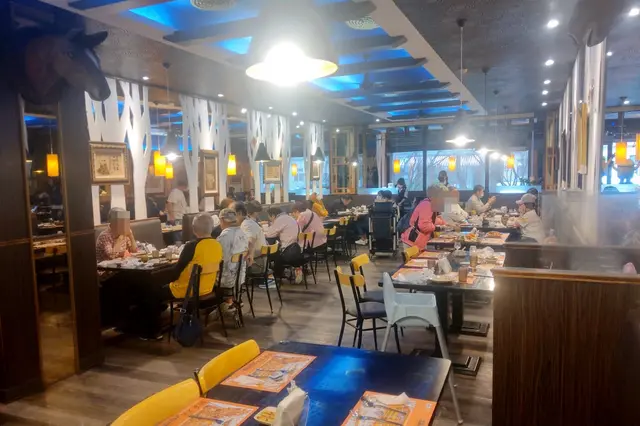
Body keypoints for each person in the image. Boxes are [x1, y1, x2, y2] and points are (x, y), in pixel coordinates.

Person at [216, 208, 249, 312]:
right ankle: (234, 300)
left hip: (227, 280)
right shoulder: (243, 233)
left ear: (222, 220)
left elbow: (219, 259)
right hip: (240, 278)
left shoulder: (224, 236)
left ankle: (225, 305)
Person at [265, 206, 302, 277]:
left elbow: (269, 234)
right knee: (275, 250)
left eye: (270, 217)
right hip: (297, 249)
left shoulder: (280, 220)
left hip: (288, 252)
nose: (270, 219)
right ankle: (282, 273)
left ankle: (274, 276)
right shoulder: (289, 218)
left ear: (273, 215)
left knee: (271, 254)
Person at [241, 200, 267, 265]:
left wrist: (250, 255)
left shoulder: (247, 224)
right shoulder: (250, 223)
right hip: (261, 258)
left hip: (256, 261)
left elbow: (250, 241)